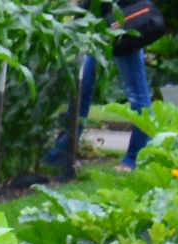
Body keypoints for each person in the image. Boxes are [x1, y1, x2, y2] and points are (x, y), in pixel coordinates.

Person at [50, 0, 164, 171]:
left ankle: (135, 158)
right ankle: (61, 152)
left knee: (137, 94)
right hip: (104, 28)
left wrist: (75, 19)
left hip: (122, 26)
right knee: (81, 88)